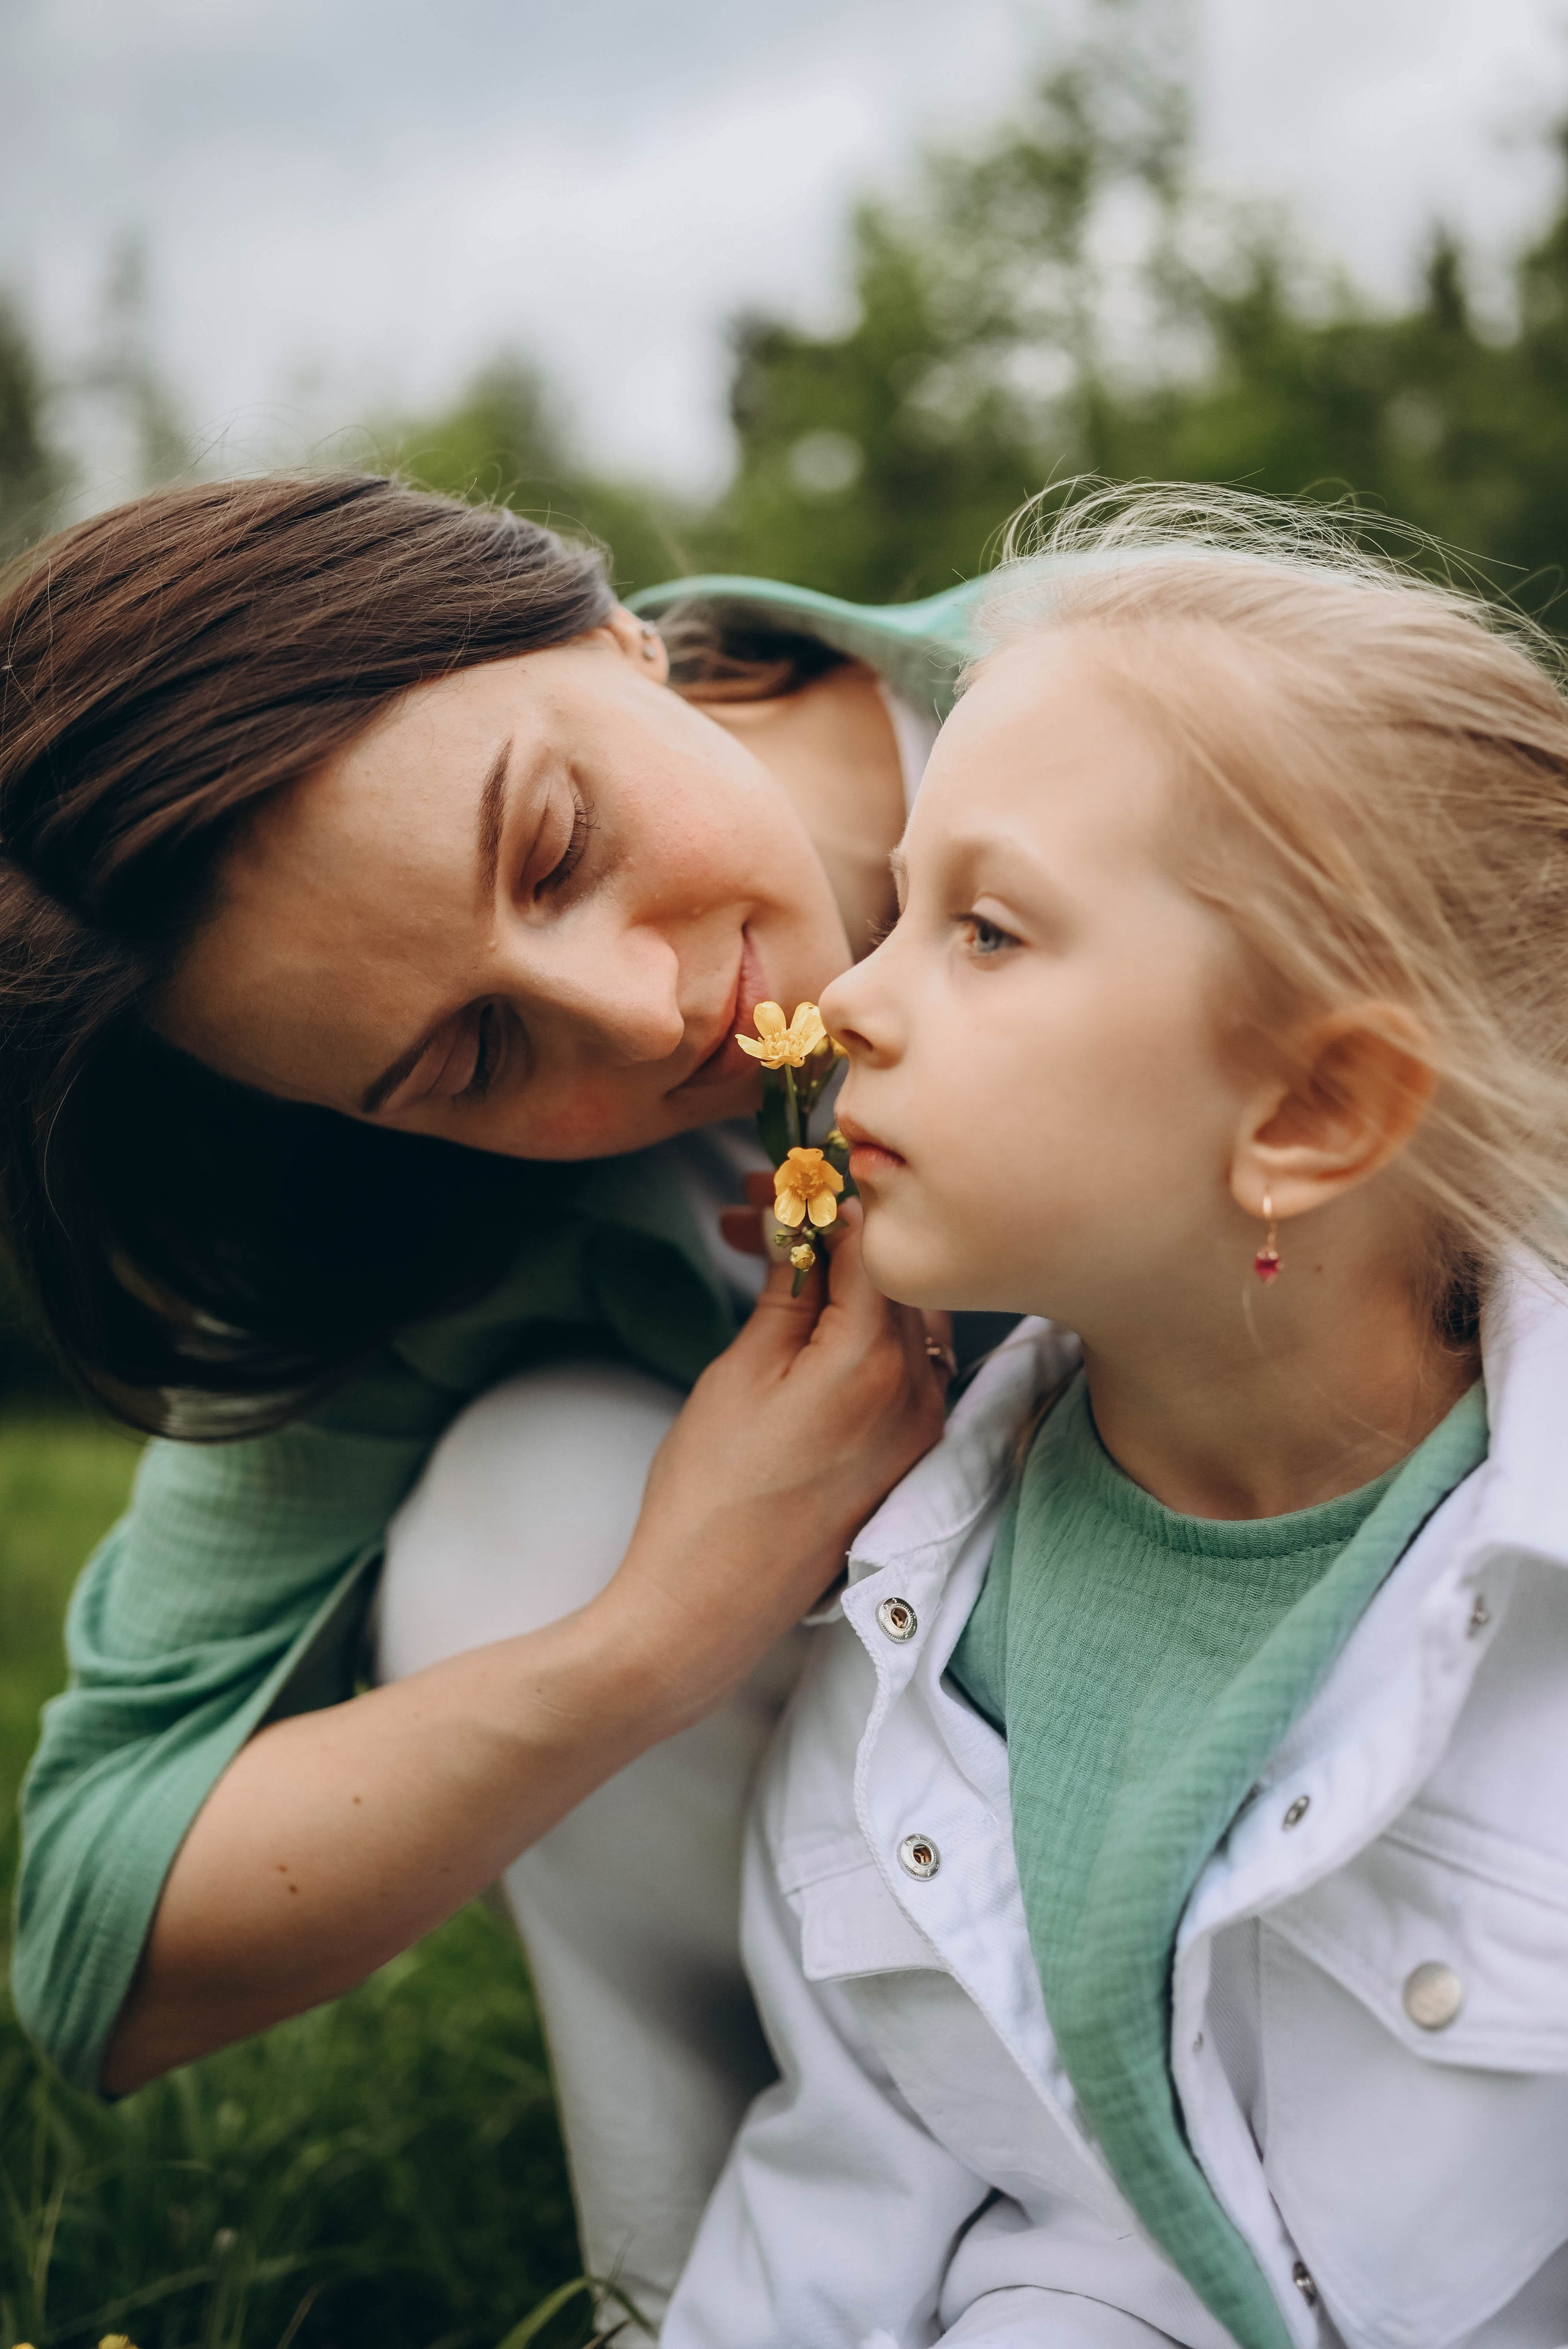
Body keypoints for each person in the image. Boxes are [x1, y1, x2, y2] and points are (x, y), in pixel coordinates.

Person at [0, 473, 988, 2324]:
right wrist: (658, 1627)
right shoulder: (440, 1213)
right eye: (465, 1054)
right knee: (522, 1504)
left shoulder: (1181, 716)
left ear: (613, 633)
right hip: (955, 1929)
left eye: (549, 842)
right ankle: (701, 2283)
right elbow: (98, 1933)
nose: (632, 1015)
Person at [660, 488, 1568, 2348]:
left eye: (982, 930)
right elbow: (846, 2184)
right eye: (896, 905)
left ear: (1310, 1112)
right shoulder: (904, 1622)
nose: (844, 1003)